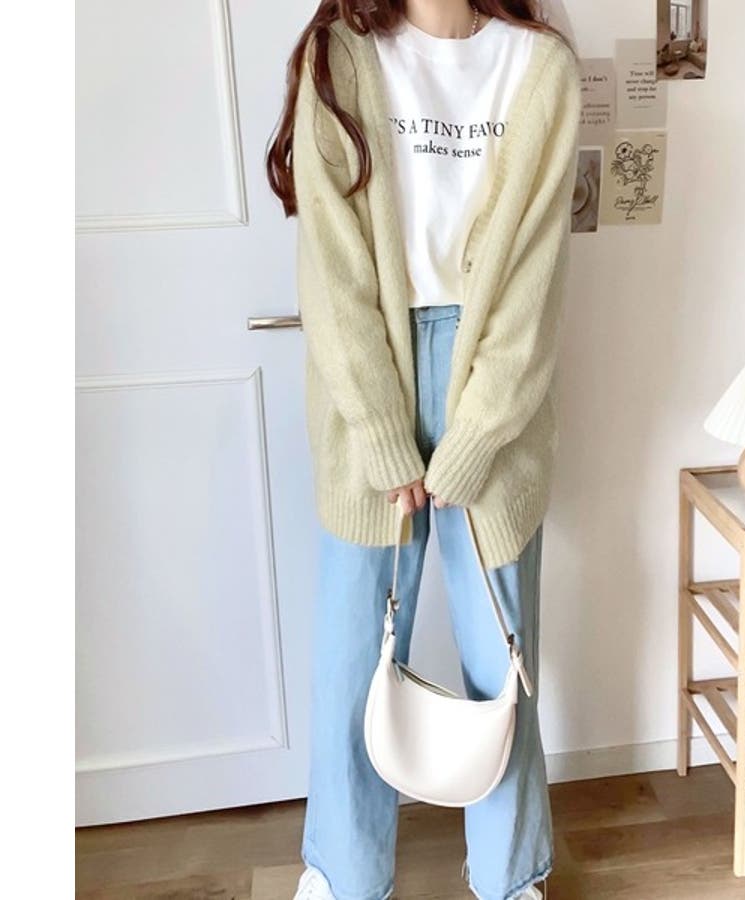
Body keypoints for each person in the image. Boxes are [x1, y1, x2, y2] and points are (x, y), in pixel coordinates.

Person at [265, 2, 580, 898]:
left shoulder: (540, 68)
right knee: (352, 654)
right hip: (369, 372)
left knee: (501, 659)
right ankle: (344, 874)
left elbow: (536, 279)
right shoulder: (340, 58)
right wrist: (377, 426)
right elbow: (330, 266)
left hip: (495, 384)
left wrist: (477, 432)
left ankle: (511, 878)